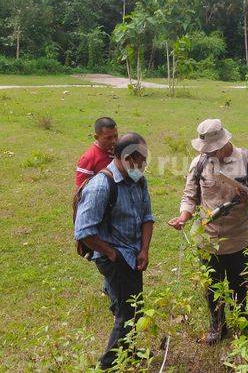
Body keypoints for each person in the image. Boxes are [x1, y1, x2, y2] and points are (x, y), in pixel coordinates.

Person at [168, 119, 248, 345]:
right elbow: (190, 196)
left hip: (238, 237)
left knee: (239, 285)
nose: (210, 153)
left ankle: (242, 321)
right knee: (212, 286)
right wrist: (183, 216)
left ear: (225, 141)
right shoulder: (199, 163)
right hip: (207, 237)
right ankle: (217, 326)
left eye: (214, 148)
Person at [73, 132, 154, 370]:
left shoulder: (139, 180)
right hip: (114, 256)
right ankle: (108, 365)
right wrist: (110, 253)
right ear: (119, 157)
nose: (139, 166)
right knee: (128, 312)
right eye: (134, 160)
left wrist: (144, 249)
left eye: (143, 160)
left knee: (132, 306)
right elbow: (84, 231)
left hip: (133, 253)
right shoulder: (101, 185)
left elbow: (147, 217)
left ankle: (127, 352)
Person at [75, 116, 118, 188]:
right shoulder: (88, 158)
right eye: (108, 138)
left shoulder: (120, 150)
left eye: (115, 136)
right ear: (96, 137)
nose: (114, 141)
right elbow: (81, 191)